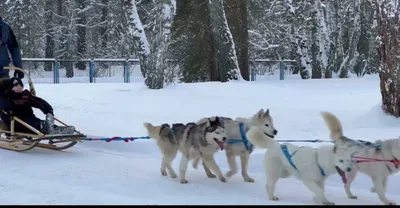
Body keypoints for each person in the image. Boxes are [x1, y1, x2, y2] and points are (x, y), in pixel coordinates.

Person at [2, 77, 75, 135]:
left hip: (30, 117)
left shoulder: (26, 96)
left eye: (21, 85)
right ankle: (46, 128)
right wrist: (8, 109)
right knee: (33, 125)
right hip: (15, 121)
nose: (19, 87)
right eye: (16, 85)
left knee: (38, 122)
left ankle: (57, 129)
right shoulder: (7, 97)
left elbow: (38, 101)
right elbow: (3, 104)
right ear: (10, 88)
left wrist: (48, 109)